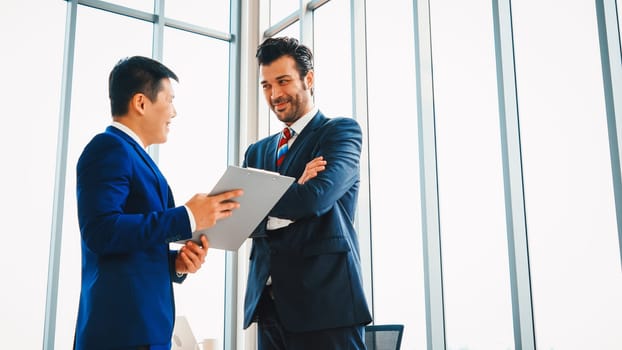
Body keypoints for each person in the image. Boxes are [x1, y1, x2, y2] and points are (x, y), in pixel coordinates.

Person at [74, 56, 243, 350]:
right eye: (169, 100)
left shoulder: (133, 155)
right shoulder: (108, 149)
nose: (174, 112)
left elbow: (127, 250)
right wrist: (187, 217)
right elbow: (101, 232)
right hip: (121, 334)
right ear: (141, 102)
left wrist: (175, 265)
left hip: (144, 332)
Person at [242, 37, 372, 349]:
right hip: (269, 306)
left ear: (308, 79)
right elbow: (242, 218)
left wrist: (271, 204)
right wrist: (294, 188)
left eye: (283, 81)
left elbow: (316, 198)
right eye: (266, 85)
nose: (274, 95)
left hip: (326, 304)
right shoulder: (256, 152)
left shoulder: (340, 132)